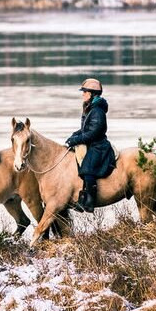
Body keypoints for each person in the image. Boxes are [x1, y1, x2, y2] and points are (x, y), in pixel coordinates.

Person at [64, 78, 115, 214]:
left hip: (98, 145)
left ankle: (89, 202)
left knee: (87, 169)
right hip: (92, 143)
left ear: (92, 93)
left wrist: (76, 140)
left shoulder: (97, 111)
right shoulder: (90, 108)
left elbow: (93, 133)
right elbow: (85, 129)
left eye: (85, 92)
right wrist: (73, 136)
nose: (83, 94)